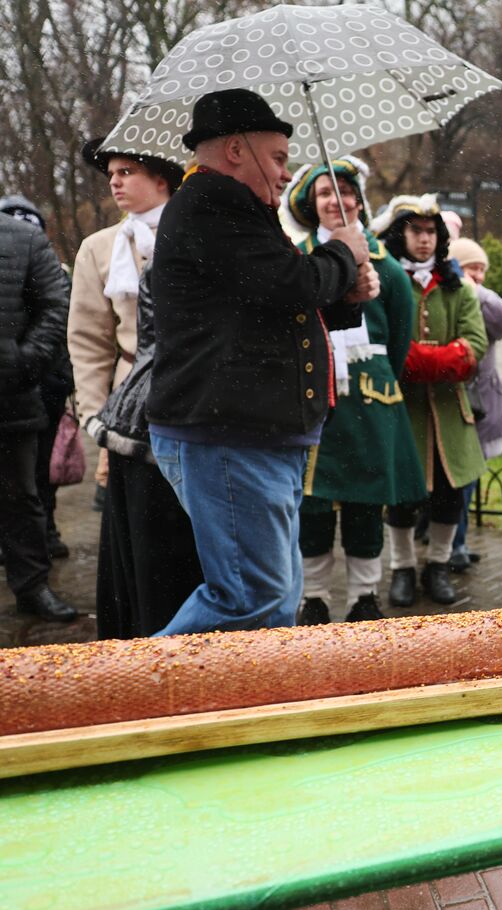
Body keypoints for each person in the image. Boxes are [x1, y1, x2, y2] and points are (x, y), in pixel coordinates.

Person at [146, 88, 378, 635]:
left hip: (247, 434)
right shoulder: (211, 204)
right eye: (278, 159)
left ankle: (225, 709)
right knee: (252, 600)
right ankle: (121, 693)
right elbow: (287, 284)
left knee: (271, 599)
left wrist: (345, 295)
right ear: (234, 149)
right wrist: (344, 252)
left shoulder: (238, 208)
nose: (284, 174)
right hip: (227, 436)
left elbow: (274, 310)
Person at [282, 157, 423, 625]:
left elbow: (399, 341)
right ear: (310, 203)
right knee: (313, 506)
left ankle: (364, 595)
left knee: (366, 506)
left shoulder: (389, 271)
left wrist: (375, 377)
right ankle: (315, 595)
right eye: (325, 192)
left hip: (370, 403)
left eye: (345, 192)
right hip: (312, 400)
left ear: (359, 201)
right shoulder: (295, 260)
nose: (336, 201)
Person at [71, 138, 202, 638]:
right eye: (111, 173)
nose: (115, 181)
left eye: (127, 171)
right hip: (132, 406)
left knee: (191, 528)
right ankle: (142, 635)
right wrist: (92, 416)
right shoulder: (100, 248)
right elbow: (87, 341)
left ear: (163, 178)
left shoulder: (201, 234)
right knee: (137, 535)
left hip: (198, 398)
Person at [372, 194, 487, 609]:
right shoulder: (384, 280)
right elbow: (384, 345)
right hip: (401, 409)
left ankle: (437, 567)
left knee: (449, 495)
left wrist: (422, 359)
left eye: (430, 232)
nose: (424, 239)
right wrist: (427, 358)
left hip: (448, 412)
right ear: (400, 234)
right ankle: (401, 569)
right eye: (415, 230)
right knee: (401, 497)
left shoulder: (456, 286)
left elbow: (475, 344)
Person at [0, 205, 79, 623]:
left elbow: (55, 304)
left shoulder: (23, 238)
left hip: (11, 397)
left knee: (21, 497)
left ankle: (32, 588)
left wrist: (23, 362)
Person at [446, 236, 502, 571]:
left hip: (482, 401)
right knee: (454, 479)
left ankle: (456, 543)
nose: (478, 275)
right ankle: (448, 543)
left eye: (481, 269)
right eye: (471, 267)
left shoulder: (482, 300)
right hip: (452, 398)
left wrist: (477, 291)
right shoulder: (448, 295)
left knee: (469, 477)